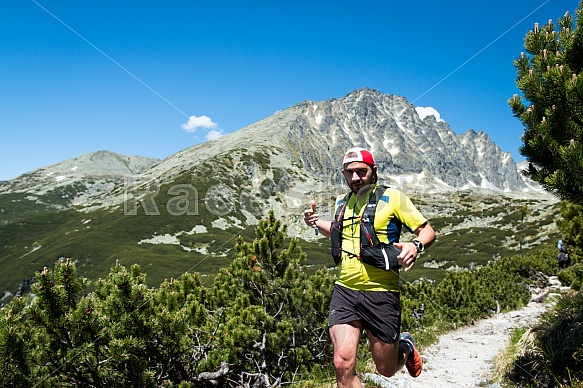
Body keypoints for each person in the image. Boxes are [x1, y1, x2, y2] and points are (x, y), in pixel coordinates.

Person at [304, 147, 436, 387]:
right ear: (343, 173)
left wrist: (415, 246)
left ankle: (404, 345)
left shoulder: (393, 197)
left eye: (361, 172)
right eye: (349, 172)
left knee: (386, 369)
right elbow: (340, 234)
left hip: (381, 293)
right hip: (345, 291)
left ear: (374, 171)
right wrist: (316, 223)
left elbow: (427, 231)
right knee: (342, 363)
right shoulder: (342, 202)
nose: (355, 178)